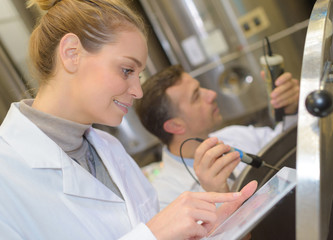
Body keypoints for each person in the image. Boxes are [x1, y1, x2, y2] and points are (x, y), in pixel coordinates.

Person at [0, 1, 258, 239]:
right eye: (127, 70)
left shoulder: (110, 150)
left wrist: (216, 227)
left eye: (139, 75)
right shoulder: (7, 174)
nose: (138, 91)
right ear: (71, 53)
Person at [135, 64, 299, 210]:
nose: (212, 94)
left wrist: (292, 111)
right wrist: (217, 198)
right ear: (175, 126)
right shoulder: (165, 197)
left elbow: (287, 148)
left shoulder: (232, 135)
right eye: (196, 96)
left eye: (201, 88)